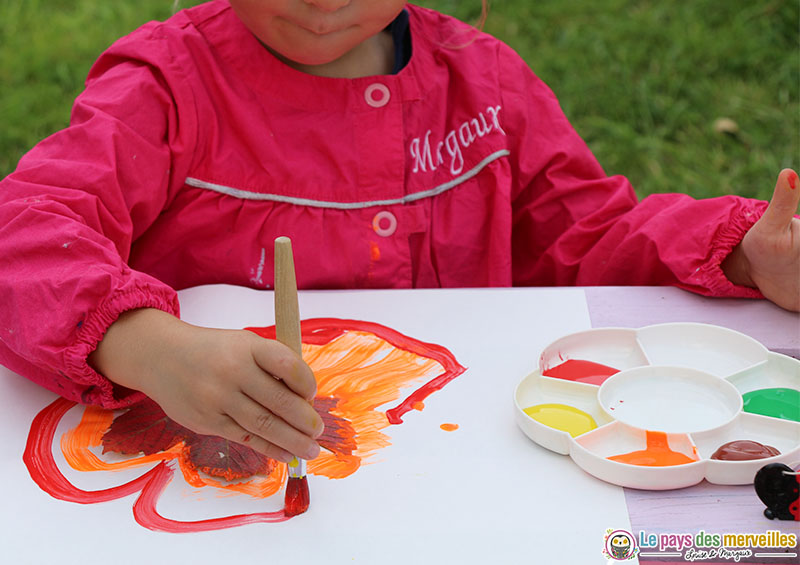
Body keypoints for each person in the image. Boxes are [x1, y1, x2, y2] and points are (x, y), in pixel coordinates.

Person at [0, 0, 797, 466]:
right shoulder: (166, 88)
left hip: (469, 466)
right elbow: (24, 230)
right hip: (227, 477)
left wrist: (740, 250)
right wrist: (145, 344)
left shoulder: (483, 83)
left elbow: (586, 238)